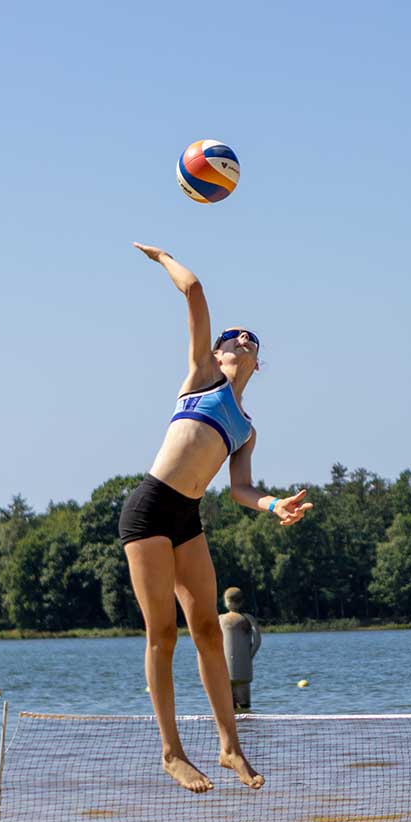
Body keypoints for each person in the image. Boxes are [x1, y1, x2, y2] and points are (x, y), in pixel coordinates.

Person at [119, 243, 312, 794]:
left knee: (206, 629)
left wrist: (276, 506)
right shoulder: (202, 376)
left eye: (251, 343)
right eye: (233, 339)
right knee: (162, 634)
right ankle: (172, 752)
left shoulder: (247, 427)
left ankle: (230, 748)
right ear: (220, 352)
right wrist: (162, 258)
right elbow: (195, 291)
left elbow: (240, 489)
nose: (241, 343)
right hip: (150, 508)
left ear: (257, 364)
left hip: (188, 517)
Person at [219, 586, 262, 712]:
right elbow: (257, 641)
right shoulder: (248, 618)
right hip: (244, 670)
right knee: (245, 707)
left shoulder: (220, 619)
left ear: (226, 601)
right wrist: (248, 657)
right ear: (241, 601)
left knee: (229, 708)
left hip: (225, 669)